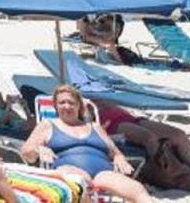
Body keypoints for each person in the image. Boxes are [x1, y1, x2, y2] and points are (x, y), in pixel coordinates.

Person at [20, 85, 150, 203]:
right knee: (79, 186)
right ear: (56, 106)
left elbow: (114, 151)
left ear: (79, 106)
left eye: (71, 102)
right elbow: (26, 152)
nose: (66, 106)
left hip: (103, 173)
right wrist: (39, 149)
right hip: (69, 169)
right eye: (62, 103)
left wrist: (119, 157)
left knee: (137, 189)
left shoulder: (95, 126)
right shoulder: (48, 125)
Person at [91, 98, 190, 187]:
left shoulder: (93, 79)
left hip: (126, 116)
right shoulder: (74, 85)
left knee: (178, 134)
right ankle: (176, 175)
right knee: (148, 137)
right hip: (108, 123)